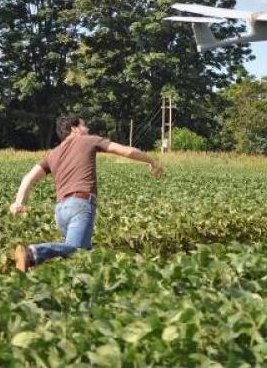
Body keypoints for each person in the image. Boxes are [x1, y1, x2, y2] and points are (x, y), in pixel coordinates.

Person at [9, 116, 164, 272]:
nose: (88, 129)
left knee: (82, 260)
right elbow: (126, 150)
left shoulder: (52, 154)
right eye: (84, 126)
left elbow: (28, 178)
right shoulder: (88, 140)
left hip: (61, 211)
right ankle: (33, 252)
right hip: (80, 206)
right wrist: (152, 160)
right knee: (77, 250)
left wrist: (18, 202)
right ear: (74, 129)